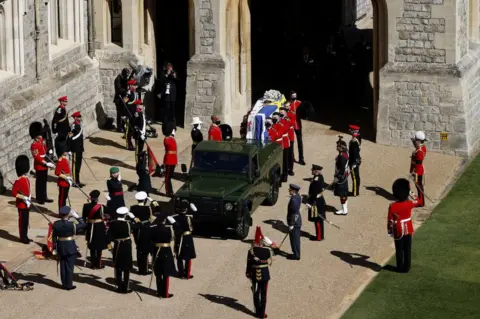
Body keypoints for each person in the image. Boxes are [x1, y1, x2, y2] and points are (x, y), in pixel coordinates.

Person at [388, 178, 422, 273]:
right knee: (407, 249)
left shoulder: (392, 206)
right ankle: (406, 267)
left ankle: (399, 267)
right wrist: (411, 192)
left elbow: (390, 220)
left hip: (397, 229)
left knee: (399, 249)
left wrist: (390, 231)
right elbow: (418, 201)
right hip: (408, 228)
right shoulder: (409, 204)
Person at [52, 206, 86, 290]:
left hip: (60, 246)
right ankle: (69, 285)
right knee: (70, 267)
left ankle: (64, 284)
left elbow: (53, 237)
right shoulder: (71, 225)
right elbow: (83, 224)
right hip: (70, 247)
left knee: (63, 266)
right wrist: (77, 216)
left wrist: (54, 247)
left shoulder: (56, 224)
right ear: (68, 214)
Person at [246, 226, 275, 319]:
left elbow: (249, 264)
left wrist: (248, 274)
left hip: (254, 274)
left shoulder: (251, 251)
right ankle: (262, 314)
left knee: (255, 293)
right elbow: (276, 249)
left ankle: (257, 312)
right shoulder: (268, 251)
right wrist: (271, 243)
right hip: (265, 274)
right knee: (263, 294)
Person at [107, 207, 136, 293]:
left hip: (117, 245)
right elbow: (139, 225)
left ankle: (119, 287)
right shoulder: (128, 223)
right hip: (126, 245)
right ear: (125, 214)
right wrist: (133, 217)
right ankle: (126, 287)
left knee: (118, 266)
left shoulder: (112, 224)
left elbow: (108, 236)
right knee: (126, 267)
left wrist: (110, 248)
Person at [150, 212, 177, 298]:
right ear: (165, 220)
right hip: (166, 251)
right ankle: (165, 293)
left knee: (158, 273)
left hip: (157, 251)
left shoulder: (153, 229)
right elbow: (173, 237)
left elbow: (151, 240)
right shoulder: (169, 229)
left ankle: (159, 292)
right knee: (166, 273)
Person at [82, 190, 108, 269]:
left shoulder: (86, 206)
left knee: (92, 246)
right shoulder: (101, 207)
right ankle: (98, 264)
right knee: (99, 247)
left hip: (90, 227)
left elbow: (83, 218)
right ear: (97, 198)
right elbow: (109, 213)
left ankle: (93, 265)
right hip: (99, 227)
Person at [30, 122, 55, 204]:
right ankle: (39, 198)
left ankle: (44, 196)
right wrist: (45, 163)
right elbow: (36, 157)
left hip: (44, 165)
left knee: (44, 182)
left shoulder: (41, 142)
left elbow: (45, 150)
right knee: (39, 183)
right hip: (39, 165)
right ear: (36, 136)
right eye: (40, 134)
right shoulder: (34, 145)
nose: (41, 136)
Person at [130, 191, 154, 275]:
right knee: (145, 249)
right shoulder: (148, 208)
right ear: (144, 200)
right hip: (146, 229)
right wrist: (153, 201)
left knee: (139, 248)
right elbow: (151, 218)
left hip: (137, 230)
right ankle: (144, 269)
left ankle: (141, 268)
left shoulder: (132, 208)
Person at [172, 200, 197, 280]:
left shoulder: (174, 218)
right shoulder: (189, 218)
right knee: (188, 257)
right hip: (187, 238)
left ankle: (181, 273)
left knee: (179, 257)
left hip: (179, 238)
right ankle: (187, 274)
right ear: (186, 210)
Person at [12, 155, 33, 244]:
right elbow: (14, 193)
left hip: (26, 204)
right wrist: (23, 198)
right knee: (22, 222)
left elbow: (28, 190)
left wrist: (29, 198)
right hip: (21, 205)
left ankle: (26, 236)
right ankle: (22, 237)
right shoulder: (19, 181)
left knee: (26, 222)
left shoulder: (26, 179)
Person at [306, 164, 326, 241]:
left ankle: (319, 237)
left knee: (317, 220)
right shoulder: (318, 177)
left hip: (316, 202)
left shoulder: (317, 180)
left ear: (316, 171)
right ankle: (320, 235)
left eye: (313, 170)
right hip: (319, 201)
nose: (311, 171)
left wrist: (309, 202)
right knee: (319, 220)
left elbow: (314, 193)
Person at [410, 131, 427, 207]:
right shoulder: (421, 147)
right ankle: (421, 200)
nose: (415, 141)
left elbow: (418, 163)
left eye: (416, 140)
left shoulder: (419, 151)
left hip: (417, 171)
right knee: (418, 185)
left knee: (418, 186)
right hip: (418, 170)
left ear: (419, 141)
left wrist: (413, 172)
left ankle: (421, 202)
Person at [68, 112, 85, 188]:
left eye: (80, 116)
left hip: (79, 148)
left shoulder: (78, 125)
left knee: (78, 165)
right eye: (78, 117)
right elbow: (70, 137)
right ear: (75, 118)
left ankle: (78, 181)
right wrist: (69, 149)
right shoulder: (74, 125)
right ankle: (75, 182)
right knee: (75, 166)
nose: (80, 118)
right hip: (75, 148)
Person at [272, 112, 290, 182]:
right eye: (273, 118)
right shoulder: (273, 125)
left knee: (284, 161)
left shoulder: (281, 124)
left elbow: (278, 134)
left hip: (281, 144)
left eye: (275, 118)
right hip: (274, 145)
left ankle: (284, 176)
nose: (274, 119)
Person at [289, 91, 305, 165]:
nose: (294, 98)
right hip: (291, 126)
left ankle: (301, 159)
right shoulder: (288, 104)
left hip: (298, 125)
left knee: (300, 142)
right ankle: (291, 158)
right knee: (291, 143)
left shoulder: (299, 103)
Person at [334, 138, 349, 215]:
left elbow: (342, 168)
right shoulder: (345, 153)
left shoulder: (341, 157)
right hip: (344, 176)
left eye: (338, 146)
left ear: (341, 147)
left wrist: (338, 177)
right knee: (344, 194)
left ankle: (344, 210)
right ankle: (345, 209)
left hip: (341, 178)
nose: (336, 147)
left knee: (342, 194)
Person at [287, 184, 302, 260]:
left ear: (293, 191)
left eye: (290, 190)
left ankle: (296, 255)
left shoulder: (294, 200)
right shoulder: (297, 196)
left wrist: (291, 224)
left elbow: (294, 214)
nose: (289, 190)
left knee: (294, 240)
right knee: (295, 239)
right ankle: (296, 253)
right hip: (296, 221)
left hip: (295, 223)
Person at [159, 62, 178, 126]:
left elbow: (177, 80)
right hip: (166, 94)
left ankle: (172, 121)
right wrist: (166, 75)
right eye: (168, 67)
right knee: (166, 108)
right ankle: (165, 121)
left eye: (170, 67)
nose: (170, 68)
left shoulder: (174, 72)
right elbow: (161, 81)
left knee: (172, 108)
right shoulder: (163, 73)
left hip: (172, 94)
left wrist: (174, 75)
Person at [163, 121, 178, 197]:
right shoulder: (167, 139)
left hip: (173, 160)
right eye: (174, 130)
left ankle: (170, 191)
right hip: (169, 160)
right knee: (167, 178)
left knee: (170, 177)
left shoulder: (171, 138)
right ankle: (168, 192)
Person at [114, 68, 130, 132]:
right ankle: (119, 127)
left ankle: (123, 126)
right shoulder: (118, 79)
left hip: (123, 98)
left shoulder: (123, 78)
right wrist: (125, 90)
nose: (126, 77)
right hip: (118, 99)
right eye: (126, 75)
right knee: (119, 113)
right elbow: (118, 89)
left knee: (124, 112)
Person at [280, 106, 295, 176]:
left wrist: (291, 140)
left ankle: (290, 169)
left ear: (285, 113)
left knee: (289, 155)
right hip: (282, 141)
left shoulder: (288, 119)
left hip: (288, 140)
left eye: (282, 113)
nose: (281, 114)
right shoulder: (279, 119)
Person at [124, 79, 138, 150]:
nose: (135, 86)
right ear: (131, 86)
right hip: (129, 114)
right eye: (134, 85)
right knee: (129, 130)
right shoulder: (129, 93)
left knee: (133, 129)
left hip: (134, 113)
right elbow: (125, 102)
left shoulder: (135, 93)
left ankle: (132, 143)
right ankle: (129, 144)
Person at [348, 125, 361, 197]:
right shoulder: (358, 137)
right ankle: (356, 191)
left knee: (355, 177)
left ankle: (355, 192)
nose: (349, 130)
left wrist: (354, 162)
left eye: (350, 130)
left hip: (354, 161)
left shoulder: (353, 141)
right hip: (357, 159)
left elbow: (354, 152)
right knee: (357, 177)